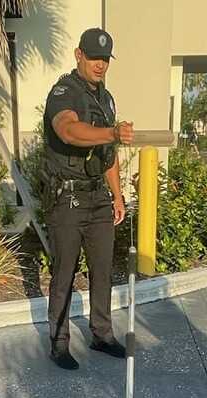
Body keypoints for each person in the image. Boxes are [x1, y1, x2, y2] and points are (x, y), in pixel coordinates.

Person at [41, 28, 135, 370]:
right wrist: (111, 132)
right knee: (64, 272)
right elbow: (68, 130)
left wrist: (117, 195)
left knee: (102, 271)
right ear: (78, 54)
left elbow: (107, 153)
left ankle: (101, 334)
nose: (100, 65)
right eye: (94, 57)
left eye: (105, 59)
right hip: (67, 198)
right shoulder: (63, 92)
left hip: (98, 199)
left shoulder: (105, 99)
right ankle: (59, 343)